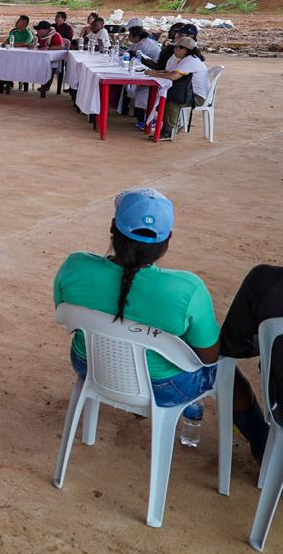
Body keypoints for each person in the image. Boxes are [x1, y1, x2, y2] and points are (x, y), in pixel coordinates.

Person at [53, 189, 219, 423]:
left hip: (89, 366)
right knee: (227, 370)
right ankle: (258, 435)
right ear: (167, 240)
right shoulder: (188, 289)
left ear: (113, 226)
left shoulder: (75, 265)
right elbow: (209, 356)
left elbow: (61, 311)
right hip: (164, 386)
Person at [218, 265, 283, 463]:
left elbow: (231, 346)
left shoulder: (265, 281)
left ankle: (263, 444)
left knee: (221, 369)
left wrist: (266, 341)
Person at [145, 36, 210, 140]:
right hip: (188, 92)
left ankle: (168, 131)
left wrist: (154, 74)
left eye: (176, 47)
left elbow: (173, 76)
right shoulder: (183, 59)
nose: (174, 50)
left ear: (184, 50)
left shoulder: (190, 61)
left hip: (197, 97)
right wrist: (154, 72)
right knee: (165, 97)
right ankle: (168, 126)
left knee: (172, 102)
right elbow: (168, 72)